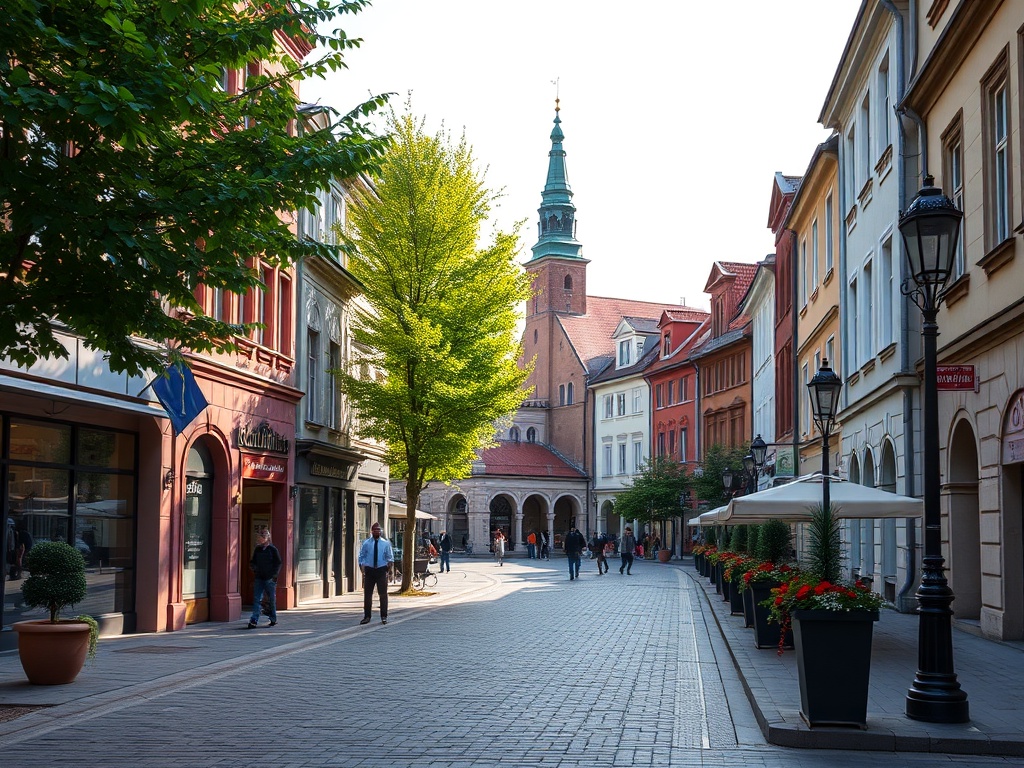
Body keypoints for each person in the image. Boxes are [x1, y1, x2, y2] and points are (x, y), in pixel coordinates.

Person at [359, 522, 394, 625]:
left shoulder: (385, 543)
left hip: (381, 570)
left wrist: (390, 569)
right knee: (367, 594)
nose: (376, 532)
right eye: (375, 530)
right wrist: (362, 566)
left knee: (383, 594)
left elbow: (390, 557)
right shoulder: (366, 543)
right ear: (371, 531)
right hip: (370, 570)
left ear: (381, 531)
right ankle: (367, 616)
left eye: (378, 530)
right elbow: (361, 555)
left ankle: (384, 616)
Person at [247, 529, 282, 629]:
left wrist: (274, 575)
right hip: (259, 578)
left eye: (261, 537)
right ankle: (254, 619)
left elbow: (278, 563)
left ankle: (273, 618)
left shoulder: (272, 549)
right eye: (258, 537)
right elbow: (252, 561)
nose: (259, 539)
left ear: (266, 538)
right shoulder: (257, 549)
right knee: (257, 599)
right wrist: (254, 569)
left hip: (270, 579)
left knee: (271, 599)